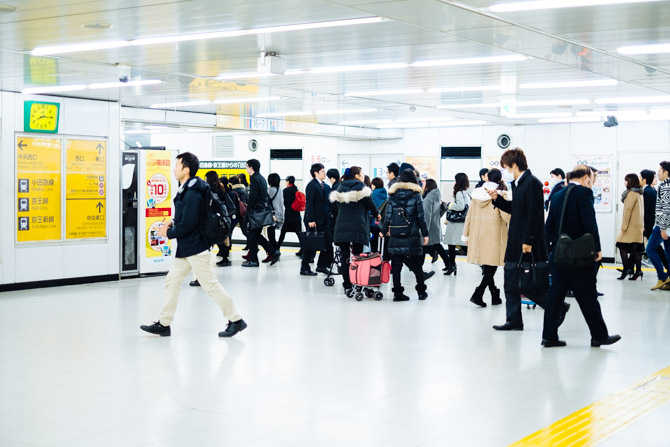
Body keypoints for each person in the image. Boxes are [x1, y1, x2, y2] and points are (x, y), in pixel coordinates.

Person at [140, 152, 247, 338]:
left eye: (177, 165)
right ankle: (165, 323)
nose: (174, 169)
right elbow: (187, 218)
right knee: (172, 281)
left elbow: (189, 224)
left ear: (186, 170)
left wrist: (169, 233)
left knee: (211, 286)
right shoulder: (188, 188)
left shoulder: (193, 192)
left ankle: (236, 320)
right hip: (187, 248)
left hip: (196, 248)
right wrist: (173, 223)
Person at [487, 148, 567, 331]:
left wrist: (528, 240)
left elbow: (534, 214)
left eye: (507, 168)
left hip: (526, 241)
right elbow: (517, 210)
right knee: (511, 280)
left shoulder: (532, 183)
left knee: (529, 283)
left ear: (514, 165)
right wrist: (497, 199)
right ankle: (514, 319)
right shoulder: (519, 184)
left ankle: (557, 307)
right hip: (516, 238)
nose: (507, 172)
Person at [542, 167, 621, 348]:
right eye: (592, 179)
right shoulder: (584, 193)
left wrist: (551, 249)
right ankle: (599, 335)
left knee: (555, 297)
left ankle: (548, 336)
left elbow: (549, 226)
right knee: (588, 296)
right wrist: (598, 249)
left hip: (559, 254)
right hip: (579, 256)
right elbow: (589, 222)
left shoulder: (557, 195)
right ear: (586, 178)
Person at [462, 168, 510, 307]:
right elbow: (506, 215)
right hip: (494, 234)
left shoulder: (476, 195)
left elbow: (469, 216)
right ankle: (479, 293)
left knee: (488, 266)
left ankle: (494, 294)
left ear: (487, 179)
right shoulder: (501, 194)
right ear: (500, 179)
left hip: (478, 236)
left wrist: (466, 234)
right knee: (492, 265)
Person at [330, 166, 379, 294]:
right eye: (362, 174)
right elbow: (371, 205)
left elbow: (334, 209)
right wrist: (377, 214)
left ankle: (347, 285)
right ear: (356, 176)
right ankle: (357, 283)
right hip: (358, 226)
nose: (363, 176)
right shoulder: (362, 188)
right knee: (357, 257)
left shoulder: (339, 188)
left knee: (345, 257)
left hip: (342, 226)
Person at [382, 169, 429, 301]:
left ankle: (397, 293)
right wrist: (425, 234)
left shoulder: (392, 195)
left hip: (396, 234)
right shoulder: (416, 195)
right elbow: (421, 217)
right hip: (412, 234)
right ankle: (421, 292)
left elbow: (388, 216)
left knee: (396, 266)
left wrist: (383, 231)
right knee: (417, 264)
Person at [242, 159, 281, 267]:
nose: (246, 169)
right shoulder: (262, 178)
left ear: (251, 167)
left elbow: (253, 196)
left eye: (246, 167)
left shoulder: (254, 178)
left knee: (252, 235)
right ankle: (272, 252)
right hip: (262, 211)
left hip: (255, 212)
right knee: (254, 235)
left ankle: (256, 259)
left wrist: (248, 210)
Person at [301, 163, 333, 276]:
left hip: (323, 220)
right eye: (322, 171)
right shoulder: (312, 185)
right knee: (311, 244)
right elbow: (309, 203)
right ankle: (304, 267)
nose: (324, 173)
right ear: (316, 173)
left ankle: (321, 266)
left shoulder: (323, 185)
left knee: (328, 243)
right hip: (313, 220)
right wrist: (311, 219)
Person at [646, 161, 670, 290]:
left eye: (660, 171)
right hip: (665, 224)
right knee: (668, 254)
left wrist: (663, 228)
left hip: (663, 225)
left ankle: (662, 277)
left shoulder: (665, 186)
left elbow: (666, 208)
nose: (658, 173)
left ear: (666, 173)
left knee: (650, 249)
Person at [616, 174, 644, 280]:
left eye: (626, 180)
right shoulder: (640, 193)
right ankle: (638, 271)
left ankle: (626, 269)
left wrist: (624, 226)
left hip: (630, 227)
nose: (624, 182)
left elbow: (628, 211)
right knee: (636, 249)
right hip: (638, 226)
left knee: (620, 245)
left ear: (630, 182)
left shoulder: (631, 193)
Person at [640, 169, 669, 271]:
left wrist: (662, 227)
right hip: (658, 224)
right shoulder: (654, 190)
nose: (657, 175)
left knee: (652, 248)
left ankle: (663, 274)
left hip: (654, 224)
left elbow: (648, 211)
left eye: (659, 171)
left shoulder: (649, 191)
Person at [443, 173, 471, 276]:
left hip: (456, 223)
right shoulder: (467, 192)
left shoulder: (459, 193)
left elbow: (460, 206)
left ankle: (452, 266)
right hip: (462, 222)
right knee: (458, 244)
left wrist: (450, 205)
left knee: (453, 244)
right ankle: (452, 265)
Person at [204, 171, 233, 268]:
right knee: (221, 237)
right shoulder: (221, 188)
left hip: (213, 217)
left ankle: (206, 261)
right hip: (222, 216)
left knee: (211, 239)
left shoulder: (209, 190)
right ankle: (225, 257)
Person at [422, 179, 450, 270]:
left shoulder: (428, 199)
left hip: (430, 227)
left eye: (424, 185)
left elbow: (427, 215)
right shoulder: (436, 196)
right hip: (435, 225)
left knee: (423, 247)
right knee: (437, 246)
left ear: (427, 187)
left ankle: (418, 269)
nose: (422, 186)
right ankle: (449, 265)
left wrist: (424, 230)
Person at [278, 176, 302, 250]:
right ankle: (303, 250)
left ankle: (277, 248)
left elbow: (282, 202)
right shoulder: (297, 191)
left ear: (288, 181)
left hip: (288, 216)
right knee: (300, 235)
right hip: (297, 216)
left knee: (282, 233)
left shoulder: (285, 191)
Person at [264, 173, 284, 261]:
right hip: (280, 214)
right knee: (272, 235)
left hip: (273, 215)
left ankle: (273, 253)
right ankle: (275, 252)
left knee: (270, 235)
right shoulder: (280, 189)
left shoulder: (270, 190)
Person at [370, 177, 388, 252]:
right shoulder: (385, 195)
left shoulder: (372, 194)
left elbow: (370, 209)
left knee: (373, 244)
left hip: (373, 223)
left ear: (374, 185)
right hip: (382, 223)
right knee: (380, 244)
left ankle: (374, 260)